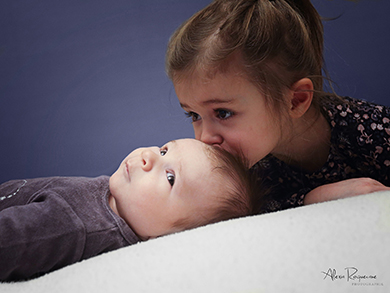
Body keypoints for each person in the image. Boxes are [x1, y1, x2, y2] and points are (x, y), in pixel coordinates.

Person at [165, 0, 390, 213]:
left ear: (296, 101)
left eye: (223, 113)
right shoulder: (248, 166)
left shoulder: (372, 131)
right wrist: (315, 198)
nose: (204, 138)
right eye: (193, 115)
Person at [0, 138, 256, 282]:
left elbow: (9, 241)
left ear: (168, 239)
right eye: (164, 149)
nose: (150, 156)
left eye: (170, 178)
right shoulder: (117, 197)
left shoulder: (74, 226)